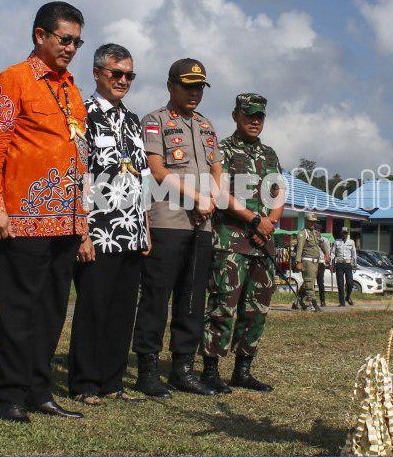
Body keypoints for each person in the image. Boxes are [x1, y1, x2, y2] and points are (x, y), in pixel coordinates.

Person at [0, 2, 91, 423]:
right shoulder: (13, 80)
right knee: (18, 308)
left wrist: (82, 220)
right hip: (22, 217)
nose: (72, 48)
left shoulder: (72, 89)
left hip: (68, 218)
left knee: (52, 308)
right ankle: (9, 393)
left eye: (78, 41)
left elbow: (79, 155)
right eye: (65, 39)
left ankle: (40, 390)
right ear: (40, 35)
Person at [132, 59, 223, 397]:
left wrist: (210, 199)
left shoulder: (206, 125)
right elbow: (156, 170)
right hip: (168, 222)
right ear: (171, 85)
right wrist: (197, 198)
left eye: (199, 86)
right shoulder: (155, 121)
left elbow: (217, 169)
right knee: (156, 297)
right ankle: (147, 369)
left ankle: (182, 369)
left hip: (202, 225)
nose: (194, 92)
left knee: (192, 299)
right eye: (187, 85)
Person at [67, 43, 150, 405]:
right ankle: (85, 382)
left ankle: (112, 381)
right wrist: (82, 232)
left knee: (121, 309)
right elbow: (78, 175)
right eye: (117, 73)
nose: (123, 80)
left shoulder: (132, 120)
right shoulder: (82, 114)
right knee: (93, 307)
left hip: (132, 229)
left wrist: (145, 228)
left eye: (129, 75)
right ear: (98, 72)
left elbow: (144, 177)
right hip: (98, 228)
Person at [199, 93, 286, 393]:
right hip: (231, 242)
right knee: (223, 305)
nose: (254, 121)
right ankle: (210, 369)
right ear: (235, 115)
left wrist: (270, 223)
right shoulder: (222, 150)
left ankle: (243, 370)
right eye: (248, 115)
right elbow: (221, 194)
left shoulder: (271, 154)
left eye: (259, 116)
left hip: (263, 243)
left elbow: (279, 193)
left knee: (256, 309)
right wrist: (254, 220)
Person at [293, 214, 328, 312]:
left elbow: (321, 243)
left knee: (308, 283)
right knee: (309, 282)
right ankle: (312, 304)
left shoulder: (315, 233)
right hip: (307, 261)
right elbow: (299, 248)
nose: (313, 223)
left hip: (316, 262)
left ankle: (298, 301)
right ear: (306, 221)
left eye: (314, 221)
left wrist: (326, 253)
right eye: (311, 221)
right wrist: (298, 262)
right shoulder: (303, 233)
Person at [330, 227, 358, 306]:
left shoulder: (351, 242)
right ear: (341, 233)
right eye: (343, 232)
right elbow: (332, 253)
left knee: (350, 283)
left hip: (348, 264)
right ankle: (341, 302)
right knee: (340, 283)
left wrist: (355, 264)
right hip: (339, 264)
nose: (344, 234)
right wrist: (332, 264)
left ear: (347, 233)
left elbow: (354, 253)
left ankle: (348, 296)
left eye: (346, 233)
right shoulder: (336, 242)